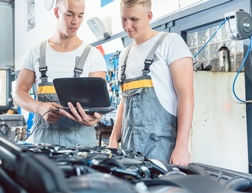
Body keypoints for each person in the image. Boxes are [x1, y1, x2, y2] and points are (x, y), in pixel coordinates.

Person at [108, 0, 194, 166]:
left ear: (149, 16)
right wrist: (113, 139)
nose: (128, 25)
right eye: (123, 19)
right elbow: (124, 101)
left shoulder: (170, 42)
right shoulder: (124, 55)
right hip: (129, 149)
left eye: (134, 19)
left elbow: (186, 95)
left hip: (163, 149)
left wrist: (182, 146)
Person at [13, 0, 107, 147]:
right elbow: (18, 92)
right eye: (69, 14)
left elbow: (98, 104)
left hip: (82, 146)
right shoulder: (36, 52)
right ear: (56, 12)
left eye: (80, 15)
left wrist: (94, 118)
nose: (75, 21)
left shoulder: (93, 56)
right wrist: (39, 107)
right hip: (43, 144)